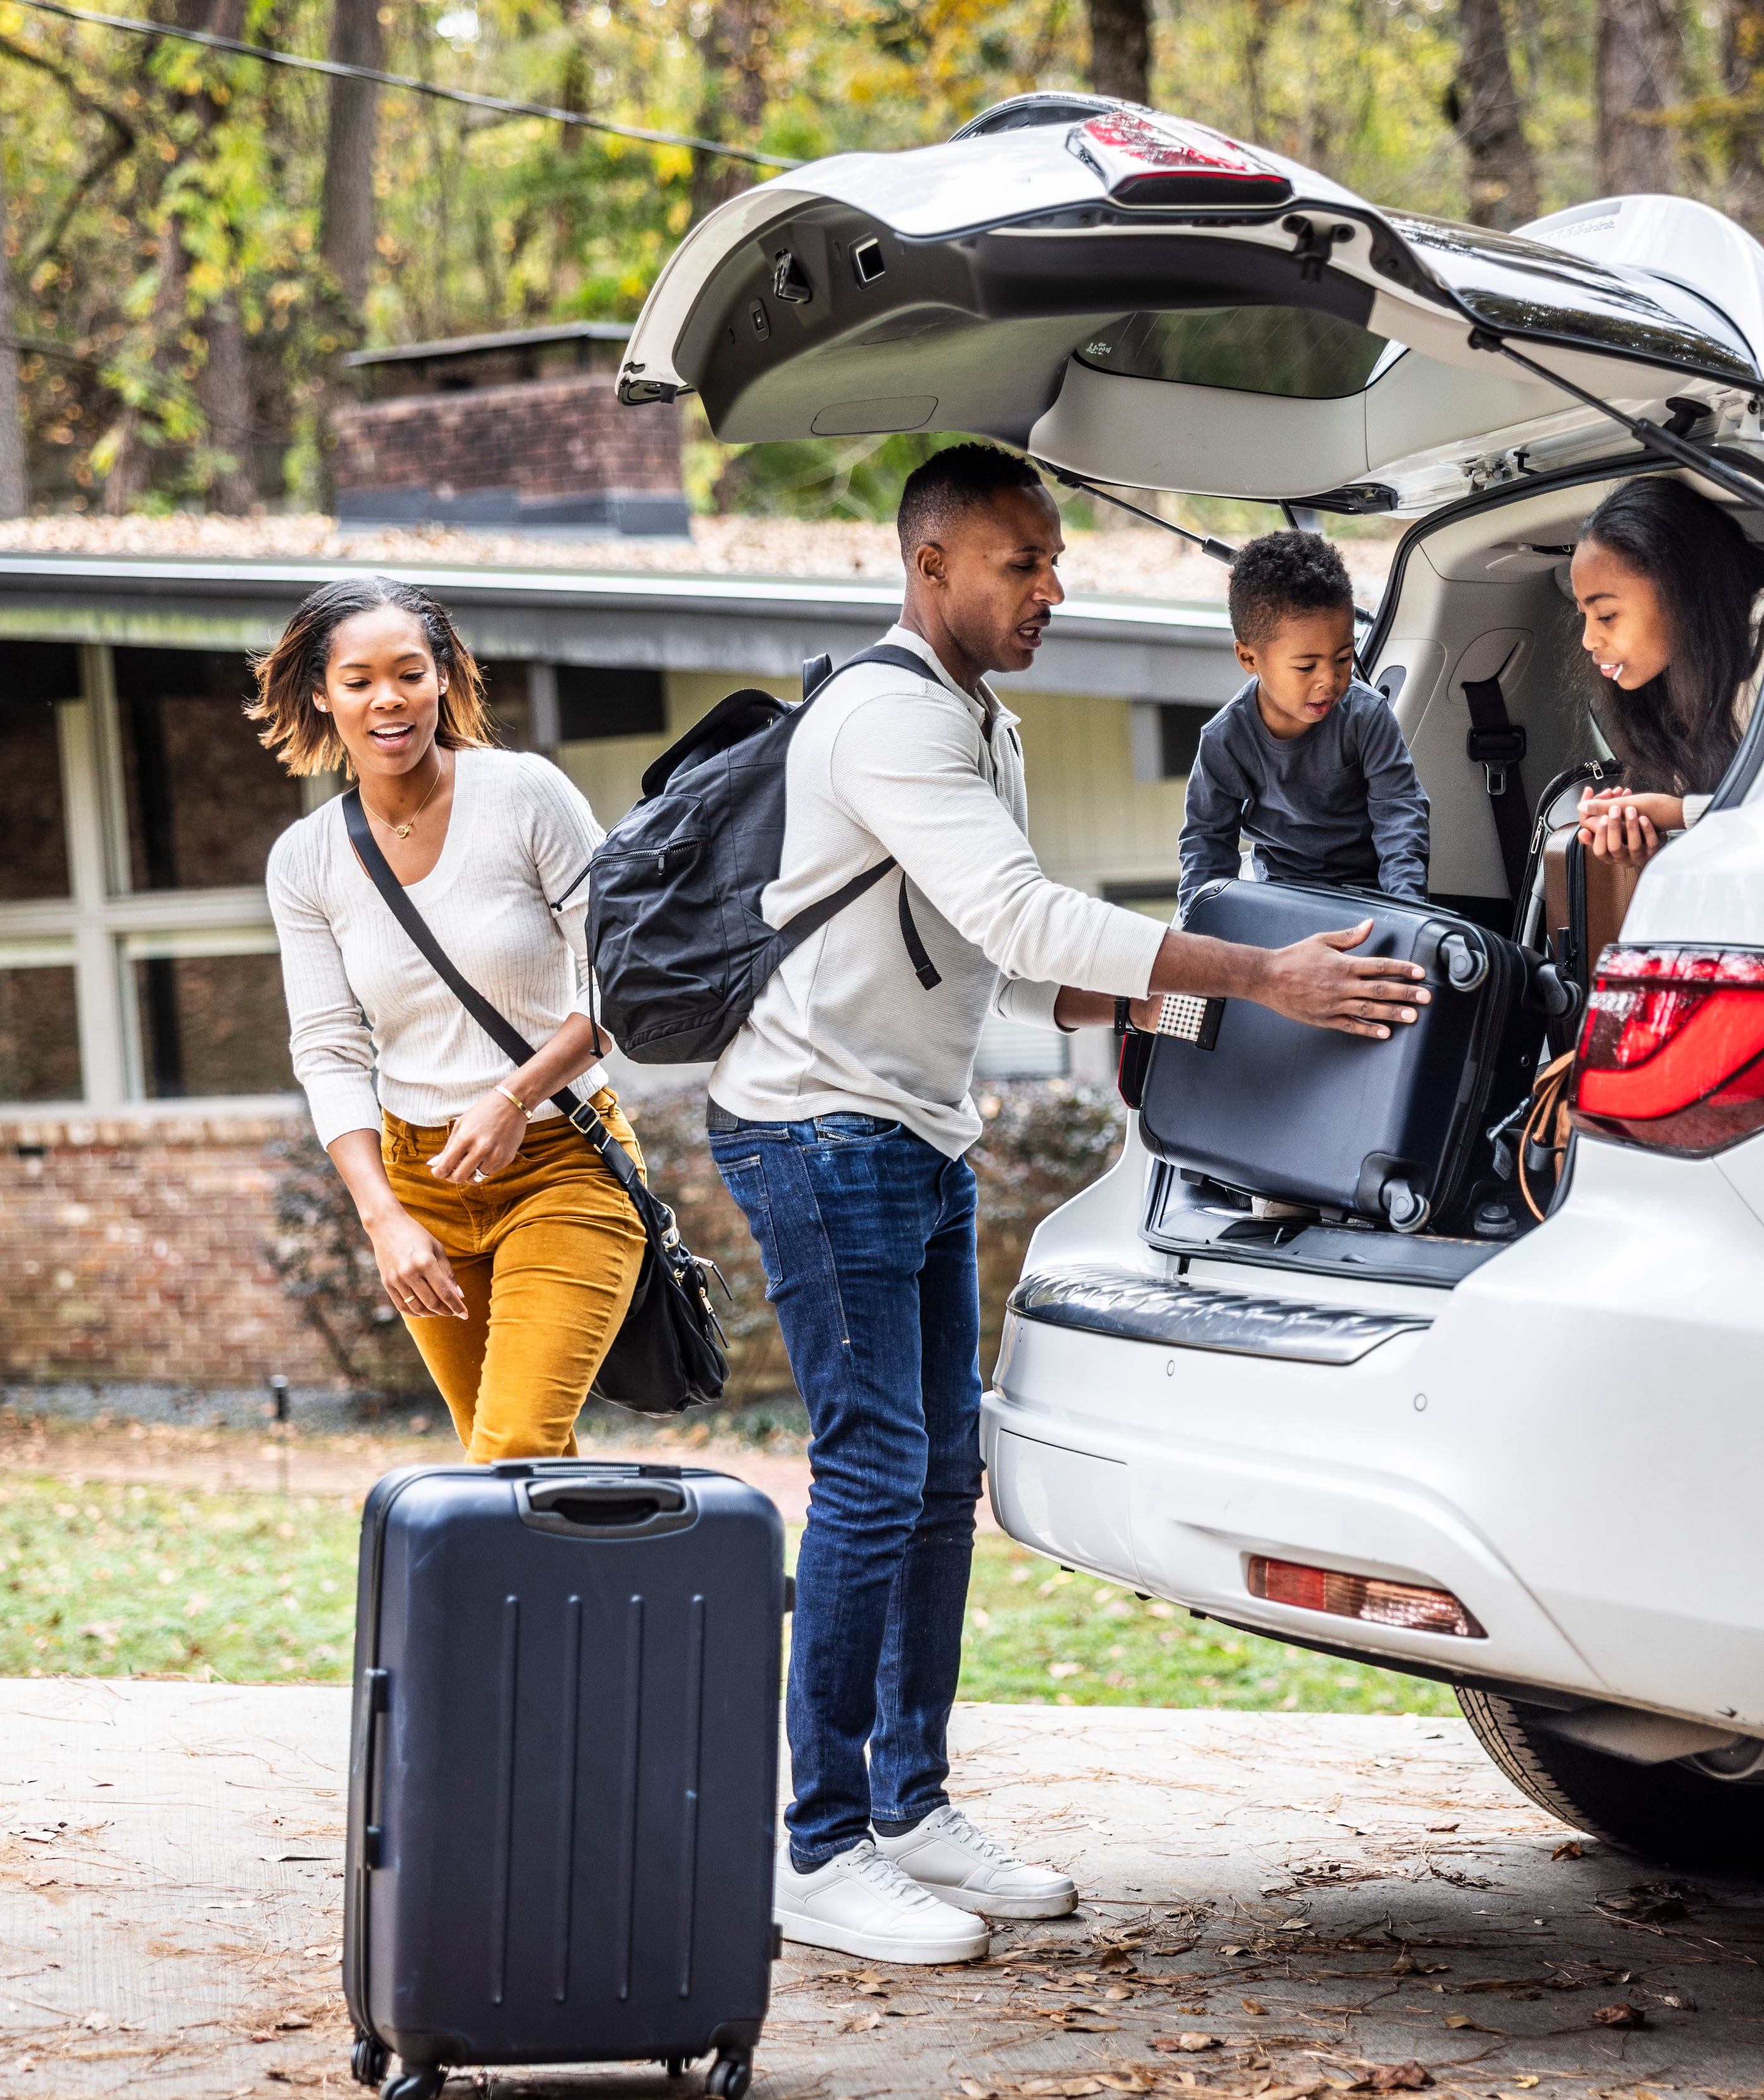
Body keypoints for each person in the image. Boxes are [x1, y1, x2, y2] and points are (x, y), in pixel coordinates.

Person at [707, 443, 1436, 1967]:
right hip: (813, 1127)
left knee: (938, 1470)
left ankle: (907, 1804)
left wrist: (1213, 1037)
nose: (1054, 585)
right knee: (870, 1469)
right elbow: (1025, 911)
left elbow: (1023, 964)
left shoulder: (985, 720)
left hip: (909, 1124)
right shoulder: (887, 716)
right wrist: (1263, 971)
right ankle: (816, 1842)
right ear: (930, 571)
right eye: (1020, 563)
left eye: (1052, 557)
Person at [259, 575, 645, 1463]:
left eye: (408, 672)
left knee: (512, 1446)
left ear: (444, 679)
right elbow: (326, 1048)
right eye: (358, 680)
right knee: (504, 1462)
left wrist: (516, 1095)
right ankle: (570, 1605)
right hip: (419, 1185)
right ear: (323, 695)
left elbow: (626, 980)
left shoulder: (524, 795)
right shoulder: (306, 861)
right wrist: (383, 1216)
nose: (386, 698)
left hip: (563, 1161)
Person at [1176, 529, 1430, 909]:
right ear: (1250, 659)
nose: (1330, 679)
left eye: (1344, 658)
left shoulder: (1367, 717)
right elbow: (1207, 842)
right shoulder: (1225, 740)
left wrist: (1408, 910)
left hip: (1372, 894)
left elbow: (1400, 817)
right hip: (1284, 897)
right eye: (1306, 666)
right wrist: (1202, 925)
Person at [1568, 477, 1764, 869]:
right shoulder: (1673, 676)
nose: (1588, 640)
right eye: (1585, 617)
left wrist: (1679, 815)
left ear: (1679, 586)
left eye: (1607, 615)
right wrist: (1651, 843)